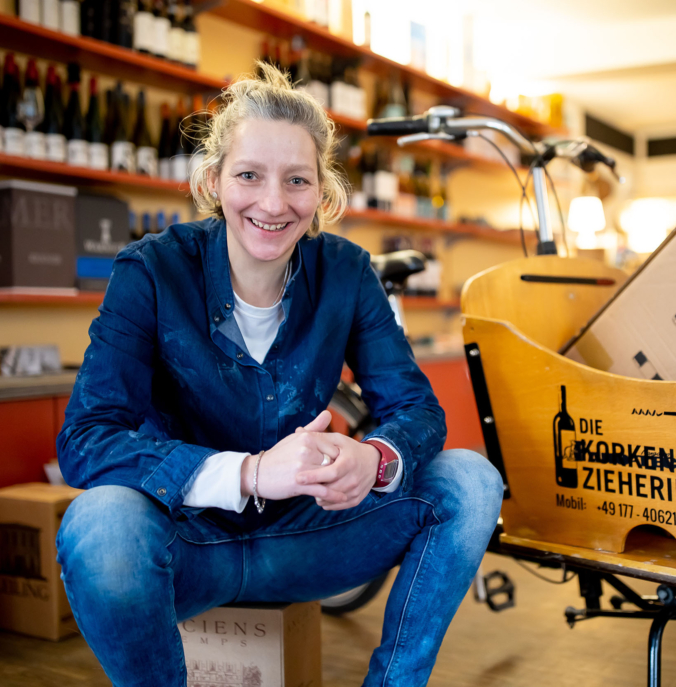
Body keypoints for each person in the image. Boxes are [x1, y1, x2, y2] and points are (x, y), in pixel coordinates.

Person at [55, 62, 504, 687]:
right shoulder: (152, 271)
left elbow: (418, 410)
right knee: (101, 521)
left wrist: (374, 457)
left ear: (322, 193)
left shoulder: (348, 272)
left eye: (296, 180)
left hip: (312, 539)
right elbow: (86, 438)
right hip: (187, 546)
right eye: (248, 175)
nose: (273, 203)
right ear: (213, 181)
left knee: (472, 479)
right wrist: (249, 471)